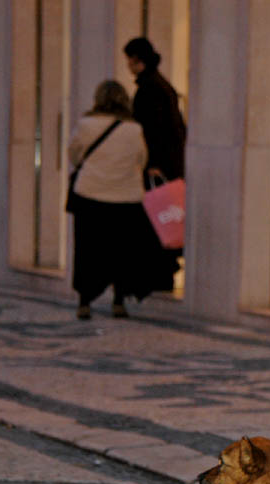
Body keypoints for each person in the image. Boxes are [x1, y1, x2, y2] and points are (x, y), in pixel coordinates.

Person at [67, 80, 172, 319]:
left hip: (90, 195)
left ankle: (85, 301)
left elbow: (74, 154)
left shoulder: (86, 125)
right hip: (125, 198)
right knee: (122, 251)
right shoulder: (133, 129)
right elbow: (141, 158)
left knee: (87, 250)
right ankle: (118, 301)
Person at [123, 36, 186, 185]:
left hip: (159, 163)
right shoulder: (158, 84)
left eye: (129, 59)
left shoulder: (150, 87)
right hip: (169, 160)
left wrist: (154, 162)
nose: (128, 64)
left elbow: (154, 127)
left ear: (137, 59)